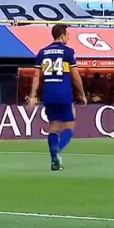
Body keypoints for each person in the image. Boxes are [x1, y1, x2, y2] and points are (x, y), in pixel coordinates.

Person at [28, 24, 86, 171]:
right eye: (67, 34)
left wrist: (33, 95)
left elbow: (36, 76)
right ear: (61, 36)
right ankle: (57, 150)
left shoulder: (42, 52)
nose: (69, 36)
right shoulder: (68, 52)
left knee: (53, 127)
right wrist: (82, 94)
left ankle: (55, 159)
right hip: (63, 93)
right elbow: (75, 76)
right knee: (69, 125)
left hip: (48, 93)